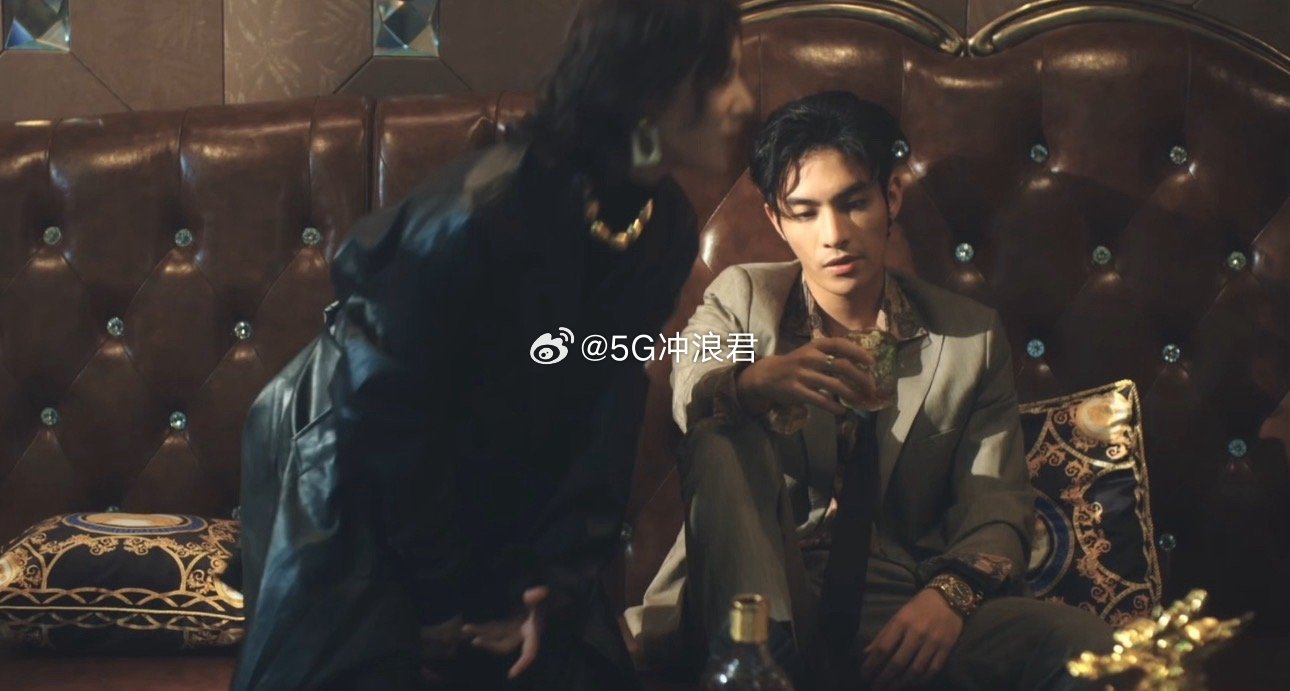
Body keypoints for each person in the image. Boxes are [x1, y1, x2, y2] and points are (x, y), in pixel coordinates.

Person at [231, 1, 754, 689]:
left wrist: (552, 584)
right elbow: (386, 408)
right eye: (721, 75)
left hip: (488, 475)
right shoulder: (485, 210)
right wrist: (447, 598)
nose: (744, 101)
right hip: (351, 459)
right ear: (650, 86)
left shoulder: (663, 229)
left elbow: (610, 403)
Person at [628, 91, 1113, 690]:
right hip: (754, 596)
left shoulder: (970, 337)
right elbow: (691, 383)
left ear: (891, 199)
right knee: (719, 437)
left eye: (853, 203)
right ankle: (763, 665)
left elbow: (997, 502)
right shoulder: (744, 297)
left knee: (1087, 645)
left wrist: (951, 596)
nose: (833, 234)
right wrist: (753, 382)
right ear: (777, 222)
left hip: (896, 609)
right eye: (805, 213)